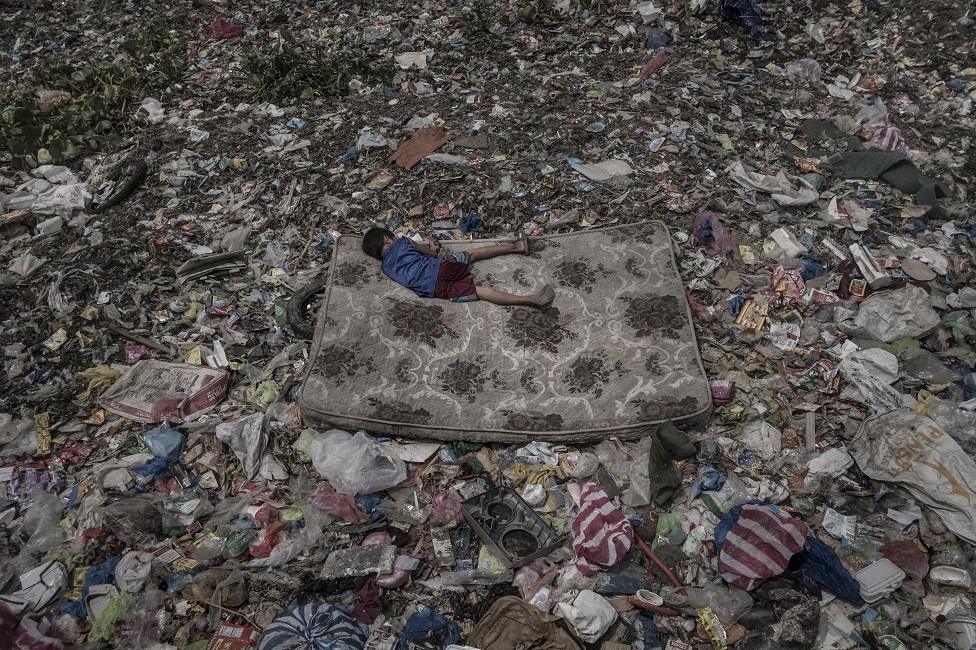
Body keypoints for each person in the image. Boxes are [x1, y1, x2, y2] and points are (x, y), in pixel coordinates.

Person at [361, 227, 555, 307]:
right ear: (387, 238)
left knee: (479, 291)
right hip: (441, 268)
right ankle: (518, 246)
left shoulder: (385, 268)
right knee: (472, 254)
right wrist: (432, 246)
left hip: (435, 289)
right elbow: (430, 254)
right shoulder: (402, 242)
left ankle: (530, 300)